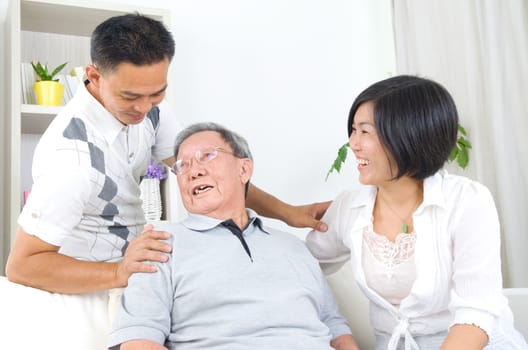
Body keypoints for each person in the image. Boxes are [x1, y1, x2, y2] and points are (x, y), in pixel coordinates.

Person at [5, 13, 329, 295]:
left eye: (157, 92)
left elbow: (210, 173)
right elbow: (23, 265)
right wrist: (118, 273)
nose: (144, 107)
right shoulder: (72, 159)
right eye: (130, 96)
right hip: (92, 282)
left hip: (136, 268)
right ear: (93, 76)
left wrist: (287, 212)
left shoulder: (149, 110)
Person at [305, 75, 528, 349]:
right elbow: (301, 268)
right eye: (353, 130)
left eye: (365, 131)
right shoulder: (349, 209)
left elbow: (475, 314)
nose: (353, 143)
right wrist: (340, 336)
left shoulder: (467, 201)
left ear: (409, 135)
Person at [108, 122, 359, 350]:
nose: (192, 171)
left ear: (244, 169)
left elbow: (336, 328)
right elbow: (138, 342)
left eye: (206, 156)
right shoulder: (159, 245)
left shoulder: (294, 247)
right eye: (182, 165)